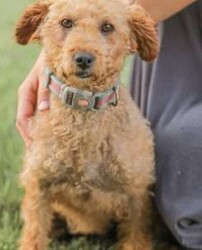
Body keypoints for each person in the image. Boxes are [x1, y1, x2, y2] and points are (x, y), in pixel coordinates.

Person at [16, 1, 202, 249]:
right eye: (67, 24)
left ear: (132, 38)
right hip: (57, 117)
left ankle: (136, 240)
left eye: (106, 28)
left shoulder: (129, 132)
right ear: (39, 25)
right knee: (40, 180)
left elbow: (137, 194)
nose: (84, 52)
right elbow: (37, 187)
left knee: (151, 190)